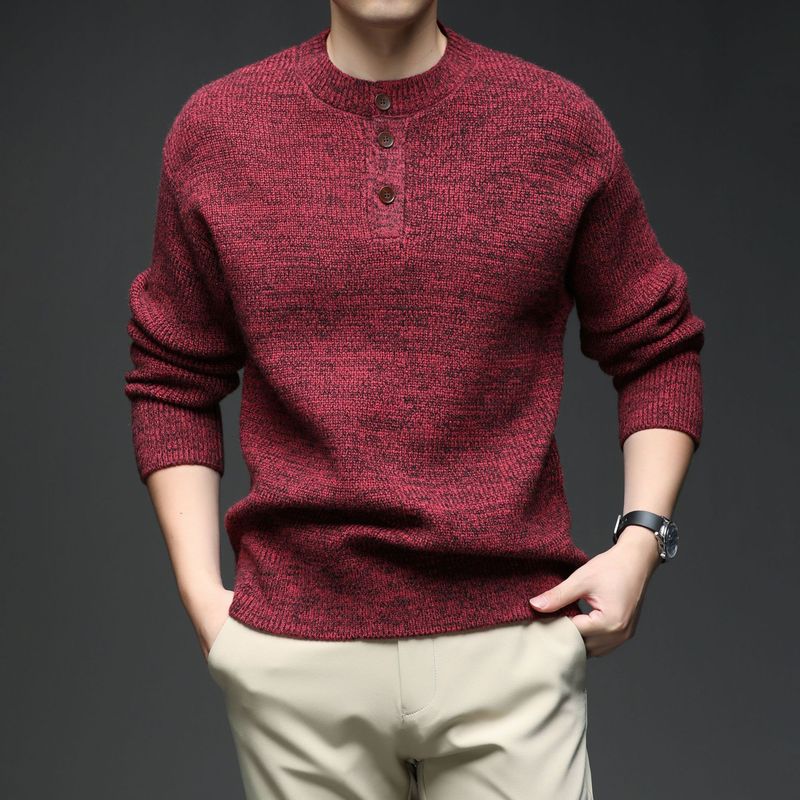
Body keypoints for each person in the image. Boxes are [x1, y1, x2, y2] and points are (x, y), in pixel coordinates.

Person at [123, 1, 705, 798]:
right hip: (296, 659)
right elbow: (171, 373)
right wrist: (202, 597)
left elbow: (658, 345)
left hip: (514, 641)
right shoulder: (219, 130)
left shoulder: (555, 123)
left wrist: (641, 543)